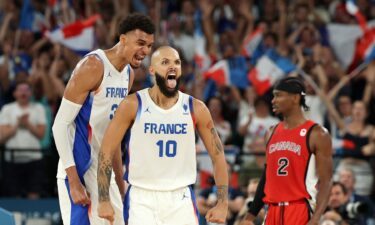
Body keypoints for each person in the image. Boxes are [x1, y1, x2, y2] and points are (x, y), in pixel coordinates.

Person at [96, 46, 229, 225]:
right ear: (152, 69)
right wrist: (103, 198)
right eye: (165, 62)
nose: (172, 66)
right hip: (141, 198)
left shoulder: (196, 108)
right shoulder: (132, 104)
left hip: (180, 198)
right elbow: (106, 150)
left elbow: (218, 155)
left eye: (177, 62)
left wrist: (223, 203)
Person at [52, 13, 155, 225]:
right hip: (80, 166)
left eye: (150, 45)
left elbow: (113, 136)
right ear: (123, 39)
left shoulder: (128, 75)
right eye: (141, 43)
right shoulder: (93, 66)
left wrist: (121, 183)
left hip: (103, 172)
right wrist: (73, 181)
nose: (145, 51)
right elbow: (59, 126)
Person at [241, 77, 333, 225]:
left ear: (295, 98)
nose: (273, 100)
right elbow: (266, 177)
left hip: (299, 209)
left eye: (278, 95)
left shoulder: (317, 133)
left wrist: (315, 219)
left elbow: (326, 181)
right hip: (271, 210)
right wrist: (250, 216)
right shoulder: (271, 132)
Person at [0, 81, 46, 198]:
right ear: (15, 93)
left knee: (34, 193)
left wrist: (27, 124)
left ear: (30, 93)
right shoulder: (7, 109)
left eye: (26, 90)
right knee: (14, 195)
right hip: (12, 159)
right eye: (20, 90)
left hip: (34, 158)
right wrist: (17, 124)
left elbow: (41, 134)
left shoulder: (38, 108)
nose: (23, 93)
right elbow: (2, 137)